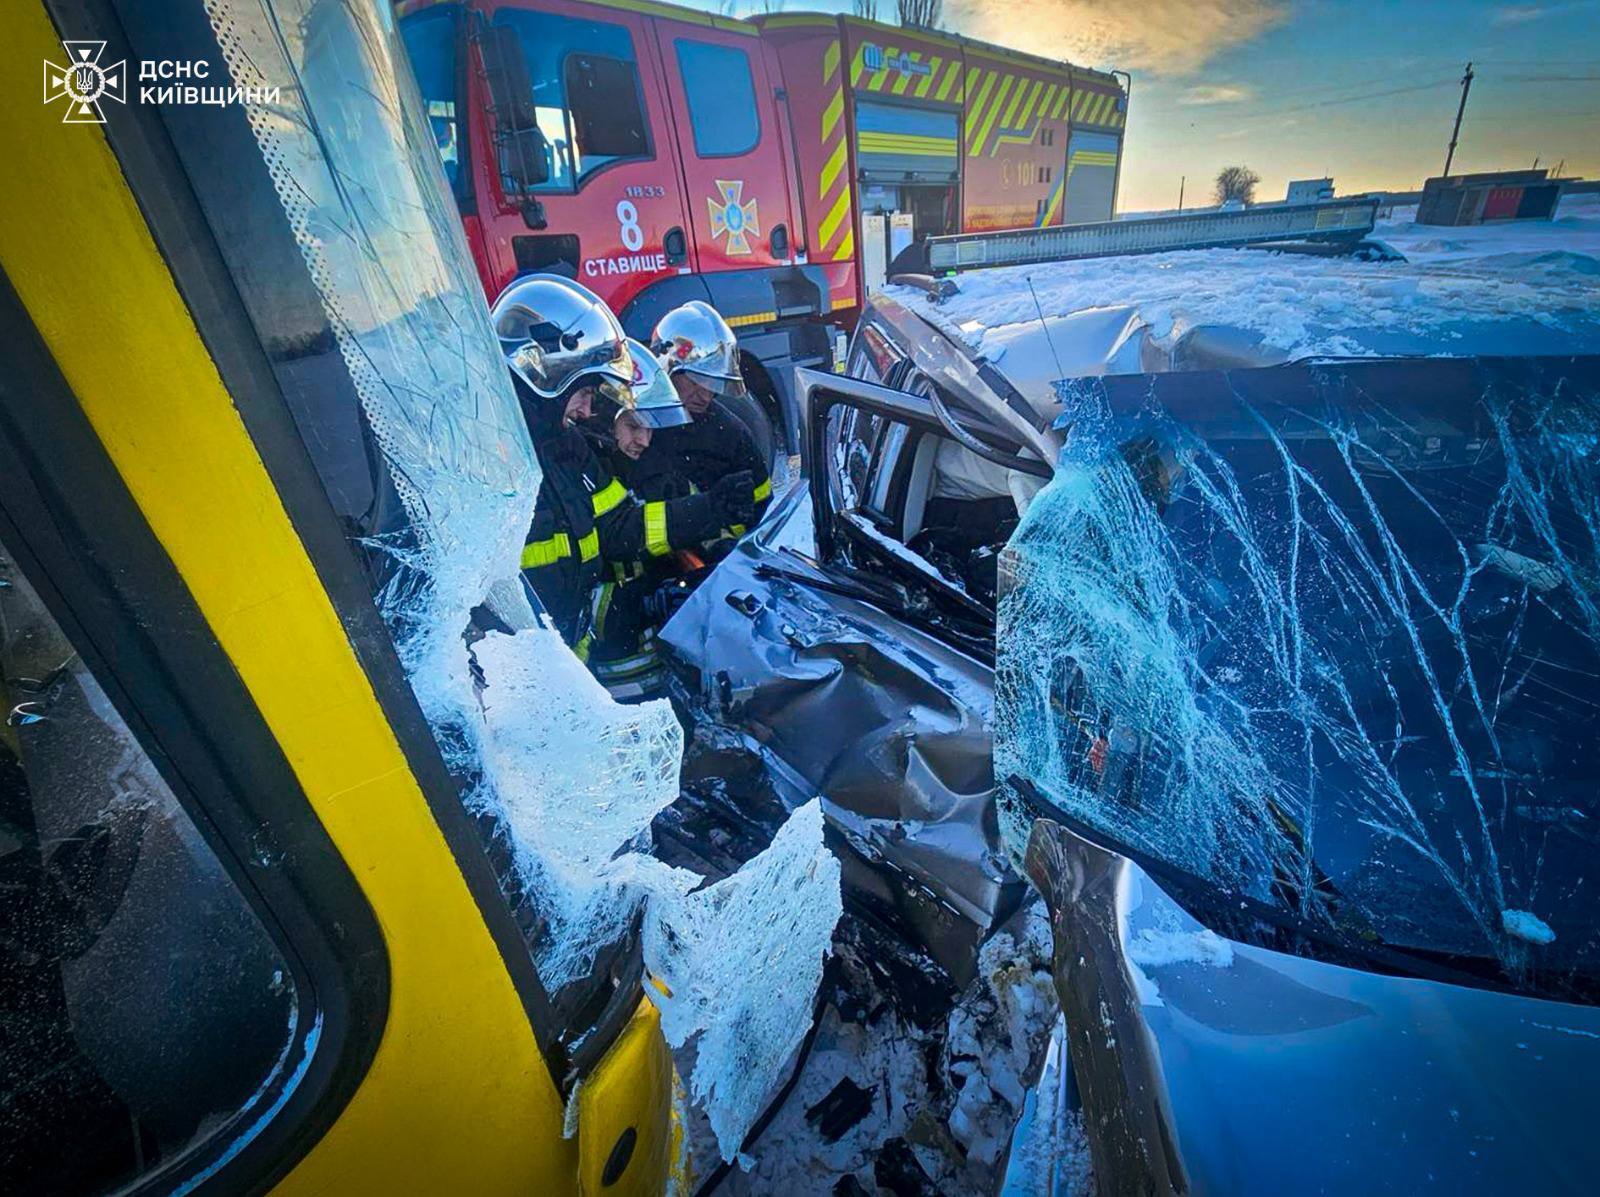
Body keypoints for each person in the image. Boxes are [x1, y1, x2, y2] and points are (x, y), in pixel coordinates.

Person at [491, 276, 754, 654]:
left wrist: (708, 511)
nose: (585, 411)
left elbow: (619, 527)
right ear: (547, 375)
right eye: (582, 393)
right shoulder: (492, 463)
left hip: (569, 669)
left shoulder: (568, 449)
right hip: (522, 680)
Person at [649, 301, 773, 539]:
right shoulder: (634, 427)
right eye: (697, 382)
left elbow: (763, 512)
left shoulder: (729, 433)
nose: (706, 395)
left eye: (713, 383)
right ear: (665, 368)